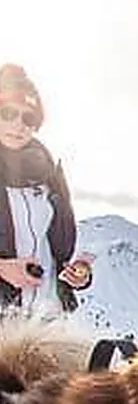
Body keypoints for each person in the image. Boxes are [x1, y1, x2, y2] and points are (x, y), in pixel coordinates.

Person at [0, 64, 93, 314]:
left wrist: (76, 273)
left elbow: (54, 246)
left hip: (47, 318)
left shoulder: (49, 176)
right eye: (8, 113)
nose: (19, 124)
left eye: (28, 117)